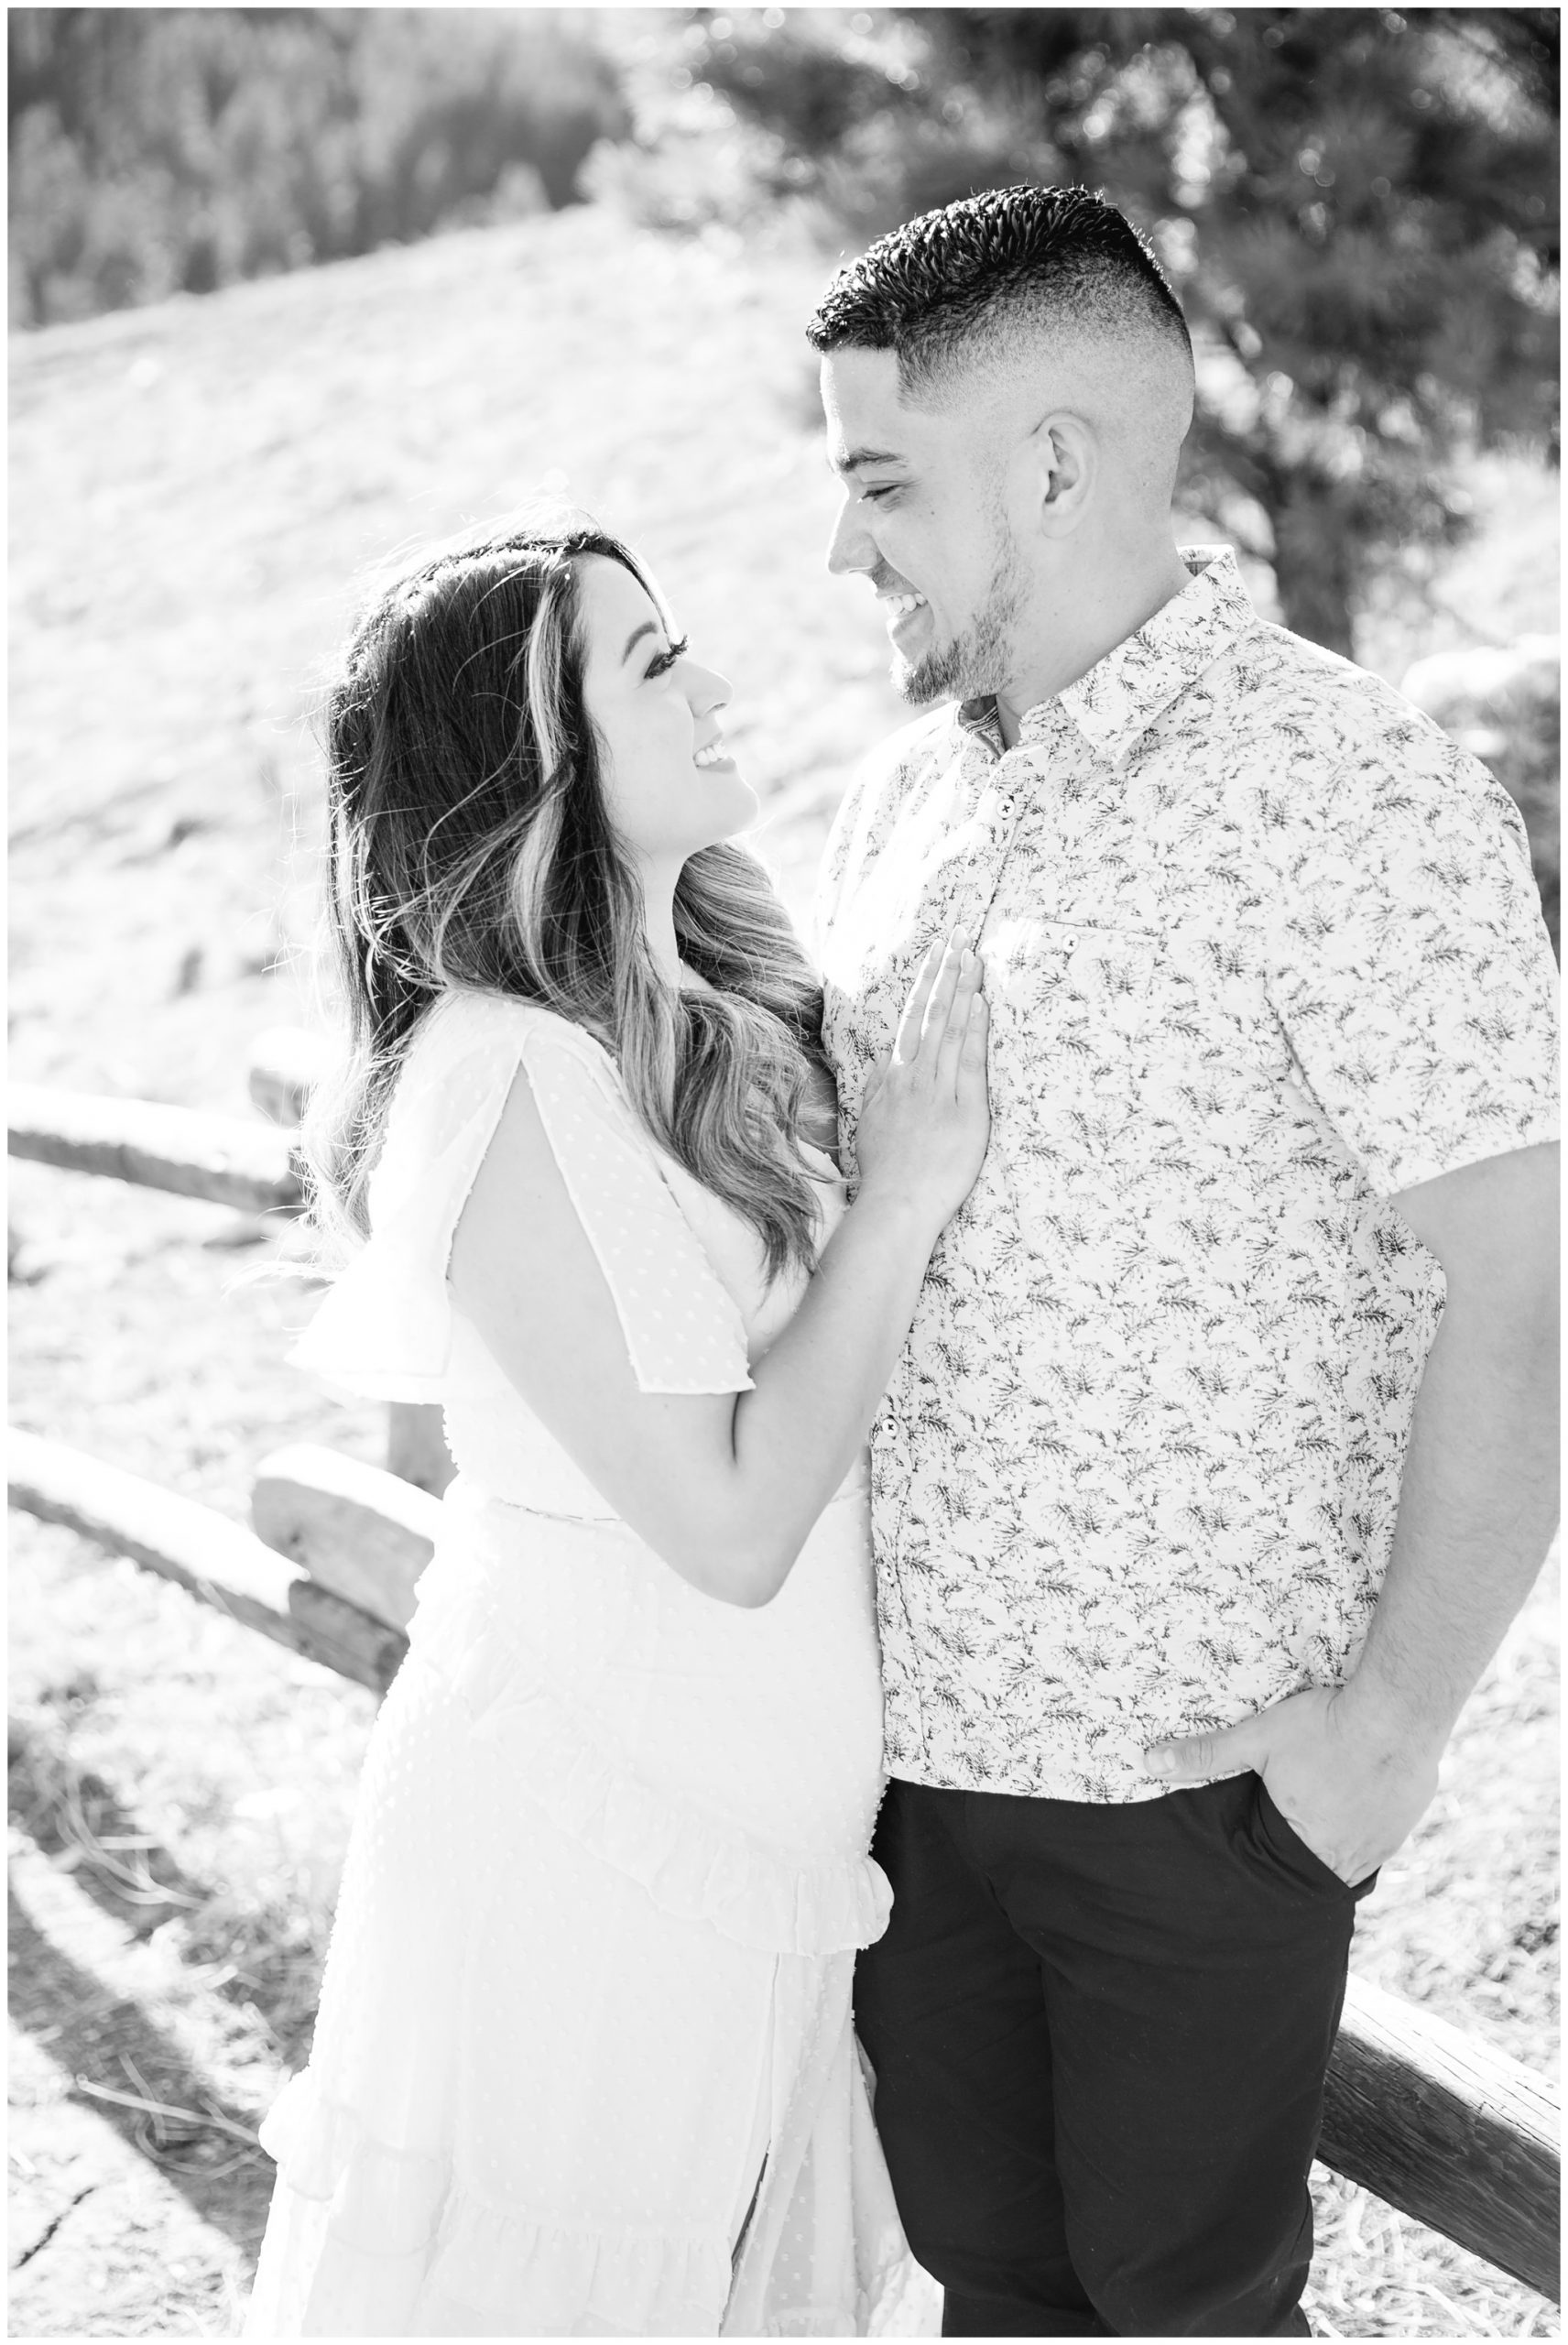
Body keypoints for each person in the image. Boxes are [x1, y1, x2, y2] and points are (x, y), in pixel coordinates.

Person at [811, 183, 1560, 2338]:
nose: (841, 548)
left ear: (1048, 463)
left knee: (1184, 2314)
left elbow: (1524, 1293)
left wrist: (1378, 1740)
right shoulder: (891, 810)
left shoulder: (1347, 790)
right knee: (989, 2300)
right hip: (905, 1778)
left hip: (1200, 1792)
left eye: (880, 482)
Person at [243, 523, 987, 2337]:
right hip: (591, 1858)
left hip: (751, 1864)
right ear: (532, 760)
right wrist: (897, 1199)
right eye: (651, 664)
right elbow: (729, 1528)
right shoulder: (504, 1074)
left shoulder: (706, 1010)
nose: (714, 682)